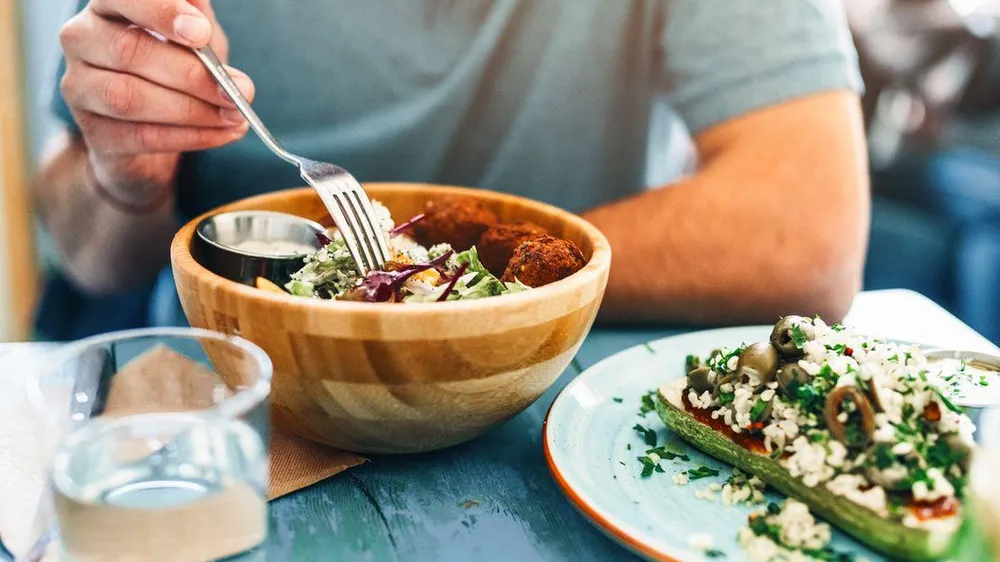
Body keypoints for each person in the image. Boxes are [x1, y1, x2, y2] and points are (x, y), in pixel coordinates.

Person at [35, 0, 870, 329]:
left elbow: (807, 234)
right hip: (233, 410)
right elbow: (87, 250)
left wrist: (444, 286)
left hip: (561, 404)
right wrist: (126, 175)